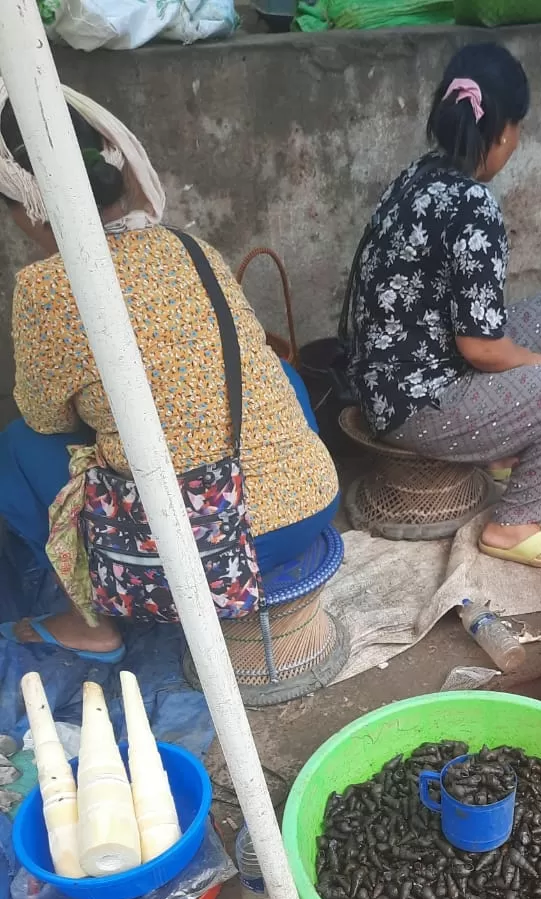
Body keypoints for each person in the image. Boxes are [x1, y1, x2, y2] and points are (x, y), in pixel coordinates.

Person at [0, 85, 339, 662]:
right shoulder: (193, 248)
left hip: (217, 545)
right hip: (311, 505)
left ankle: (93, 623)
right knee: (277, 374)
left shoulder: (47, 287)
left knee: (16, 446)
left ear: (25, 205)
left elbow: (45, 416)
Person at [346, 43, 541, 569]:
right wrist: (540, 369)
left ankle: (507, 455)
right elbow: (483, 348)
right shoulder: (474, 206)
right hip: (416, 405)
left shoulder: (418, 175)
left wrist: (534, 368)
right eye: (518, 128)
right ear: (501, 131)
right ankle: (513, 523)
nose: (517, 142)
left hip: (391, 378)